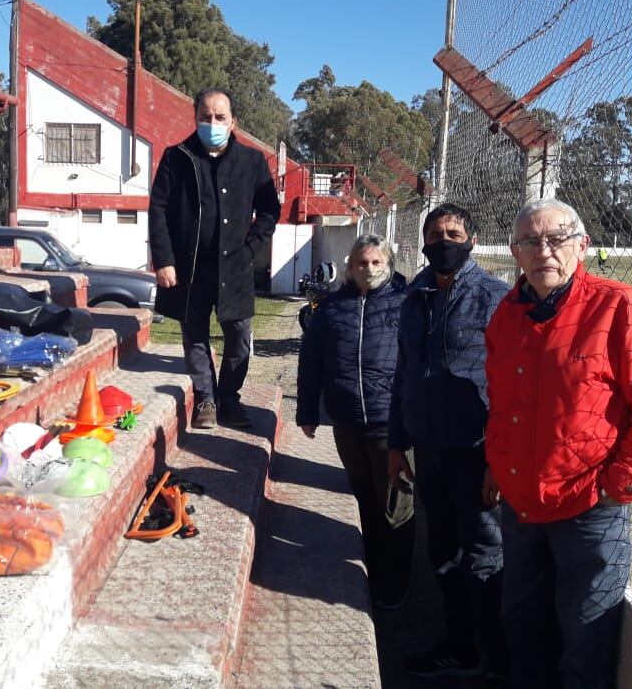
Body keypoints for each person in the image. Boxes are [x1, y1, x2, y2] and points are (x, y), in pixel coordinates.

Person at [484, 197, 632, 689]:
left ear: (582, 244)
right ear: (515, 251)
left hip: (589, 507)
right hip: (521, 505)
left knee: (585, 639)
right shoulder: (507, 315)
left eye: (557, 238)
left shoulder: (619, 306)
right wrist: (498, 464)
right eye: (531, 241)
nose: (544, 250)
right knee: (523, 625)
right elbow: (502, 404)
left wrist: (619, 485)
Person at [387, 203, 510, 680]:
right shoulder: (413, 296)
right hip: (428, 451)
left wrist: (498, 459)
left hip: (476, 452)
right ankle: (459, 647)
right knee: (441, 551)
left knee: (484, 553)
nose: (444, 242)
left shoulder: (495, 299)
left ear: (472, 240)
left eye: (454, 233)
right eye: (435, 234)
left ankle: (497, 661)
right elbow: (403, 375)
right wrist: (398, 445)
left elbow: (508, 387)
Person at [149, 88, 281, 430]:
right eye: (205, 116)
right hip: (189, 270)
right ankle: (205, 400)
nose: (213, 122)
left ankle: (230, 398)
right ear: (195, 118)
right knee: (194, 337)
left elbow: (269, 210)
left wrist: (250, 248)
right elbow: (159, 210)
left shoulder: (252, 162)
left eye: (220, 117)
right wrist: (163, 260)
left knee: (239, 338)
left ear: (232, 121)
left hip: (234, 270)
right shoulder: (176, 157)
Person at [296, 235, 413, 610]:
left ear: (389, 265)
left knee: (395, 504)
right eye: (363, 263)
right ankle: (372, 571)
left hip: (389, 423)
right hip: (346, 422)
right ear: (350, 268)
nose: (369, 269)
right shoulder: (332, 308)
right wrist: (307, 411)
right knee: (364, 496)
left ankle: (396, 585)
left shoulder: (405, 304)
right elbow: (310, 361)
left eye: (377, 263)